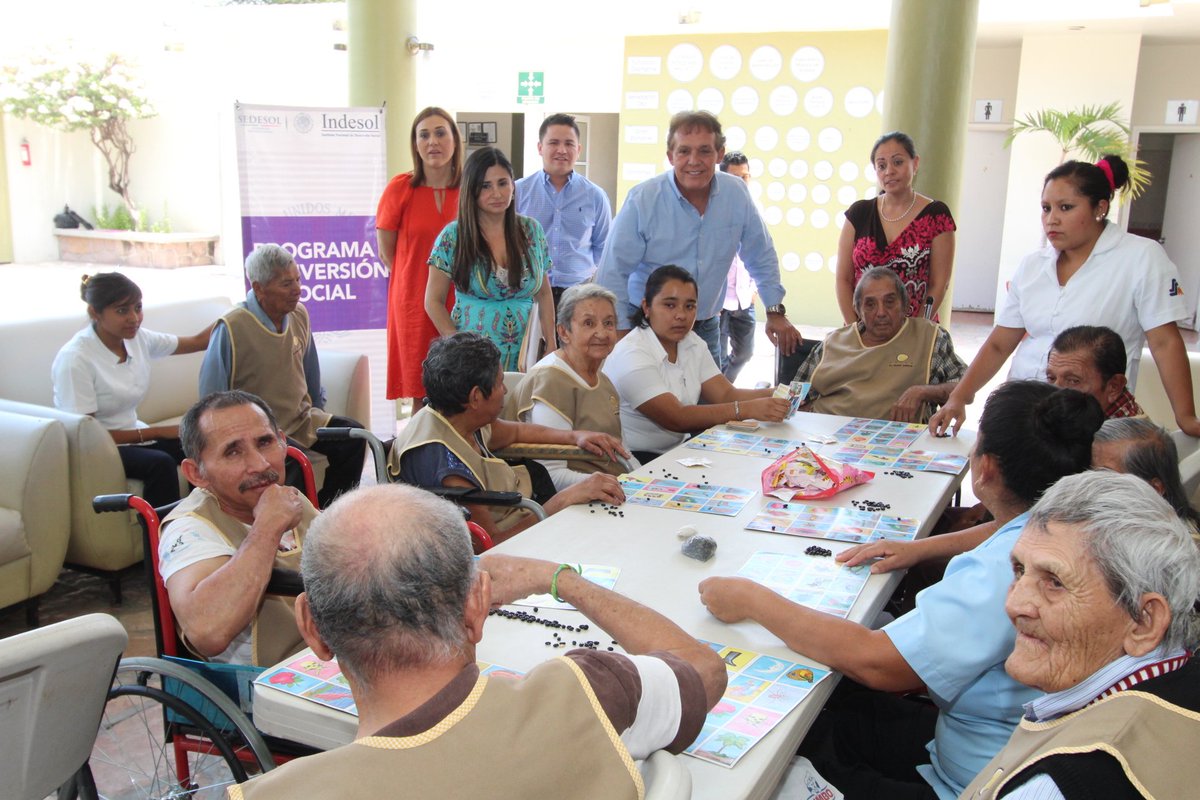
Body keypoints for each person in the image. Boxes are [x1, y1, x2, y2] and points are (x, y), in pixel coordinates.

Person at [699, 381, 1105, 799]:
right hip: (995, 746)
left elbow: (877, 664)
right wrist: (920, 549)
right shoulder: (1070, 518)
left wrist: (752, 599)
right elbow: (1008, 525)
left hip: (979, 782)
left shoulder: (1006, 574)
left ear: (986, 469)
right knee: (830, 715)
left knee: (781, 764)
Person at [227, 483, 726, 799]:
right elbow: (704, 669)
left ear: (311, 627)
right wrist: (562, 579)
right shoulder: (586, 692)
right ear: (476, 607)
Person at [961, 471, 1200, 800]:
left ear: (1144, 621)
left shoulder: (1055, 787)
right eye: (1019, 570)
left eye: (1055, 582)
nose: (1014, 604)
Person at [932, 155, 1200, 437]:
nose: (1052, 219)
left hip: (1091, 420)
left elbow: (1164, 342)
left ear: (1100, 208)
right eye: (1046, 208)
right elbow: (1000, 343)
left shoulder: (1141, 258)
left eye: (1066, 208)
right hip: (1024, 410)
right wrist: (959, 397)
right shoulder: (1033, 265)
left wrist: (1185, 416)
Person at [595, 110, 800, 365]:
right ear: (670, 156)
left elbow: (761, 254)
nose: (694, 160)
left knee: (710, 402)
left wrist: (774, 310)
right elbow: (613, 272)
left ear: (720, 154)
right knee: (651, 404)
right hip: (647, 328)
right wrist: (622, 332)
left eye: (704, 151)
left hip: (704, 327)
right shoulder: (643, 199)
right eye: (684, 151)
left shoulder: (736, 194)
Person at [388, 332, 628, 542]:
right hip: (511, 543)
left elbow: (515, 431)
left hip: (525, 514)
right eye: (499, 383)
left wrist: (575, 436)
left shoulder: (456, 416)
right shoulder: (447, 466)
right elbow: (490, 544)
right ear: (475, 397)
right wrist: (564, 499)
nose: (504, 390)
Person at [199, 244, 366, 508]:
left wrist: (317, 410)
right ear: (259, 288)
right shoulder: (232, 328)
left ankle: (331, 512)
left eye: (298, 280)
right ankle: (303, 529)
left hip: (302, 421)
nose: (297, 289)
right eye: (287, 284)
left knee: (354, 437)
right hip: (259, 434)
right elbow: (210, 397)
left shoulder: (299, 313)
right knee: (291, 465)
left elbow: (311, 371)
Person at [157, 391, 315, 666]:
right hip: (268, 687)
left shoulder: (287, 497)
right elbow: (207, 631)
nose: (260, 464)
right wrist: (268, 526)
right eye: (233, 452)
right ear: (196, 473)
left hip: (332, 657)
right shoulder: (189, 530)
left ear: (282, 442)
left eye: (264, 442)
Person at [52, 273, 213, 508]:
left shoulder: (137, 339)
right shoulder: (75, 359)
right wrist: (157, 432)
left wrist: (242, 311)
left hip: (135, 436)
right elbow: (85, 435)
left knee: (201, 446)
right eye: (122, 310)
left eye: (138, 308)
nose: (134, 318)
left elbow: (197, 341)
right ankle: (161, 537)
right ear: (94, 313)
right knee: (160, 463)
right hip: (96, 446)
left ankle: (207, 521)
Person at [603, 266, 789, 464]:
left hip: (678, 451)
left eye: (690, 306)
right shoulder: (632, 353)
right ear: (646, 308)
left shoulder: (691, 342)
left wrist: (779, 394)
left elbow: (726, 395)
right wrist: (747, 409)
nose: (681, 315)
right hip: (631, 459)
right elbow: (677, 417)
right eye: (670, 305)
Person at [425, 146, 555, 372]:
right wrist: (459, 348)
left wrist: (551, 343)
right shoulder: (453, 236)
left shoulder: (531, 230)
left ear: (513, 185)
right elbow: (433, 301)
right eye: (486, 186)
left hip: (527, 353)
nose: (496, 193)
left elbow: (543, 292)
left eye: (503, 183)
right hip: (472, 360)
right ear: (471, 190)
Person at [793, 266, 966, 423]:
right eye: (870, 304)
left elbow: (965, 386)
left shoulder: (930, 338)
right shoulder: (834, 342)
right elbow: (795, 395)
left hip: (892, 443)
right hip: (825, 436)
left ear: (905, 304)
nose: (881, 312)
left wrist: (922, 392)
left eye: (889, 302)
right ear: (857, 309)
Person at [506, 283, 634, 489]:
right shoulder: (550, 381)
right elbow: (551, 477)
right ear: (564, 332)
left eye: (608, 323)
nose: (601, 333)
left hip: (612, 485)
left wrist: (642, 483)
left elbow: (623, 452)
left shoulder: (603, 380)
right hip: (575, 498)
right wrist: (622, 484)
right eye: (589, 323)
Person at [376, 106, 462, 404]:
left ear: (455, 140)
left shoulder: (471, 188)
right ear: (415, 144)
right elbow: (388, 254)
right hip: (414, 300)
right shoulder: (400, 188)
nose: (432, 142)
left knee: (462, 387)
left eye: (441, 133)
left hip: (461, 299)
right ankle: (419, 450)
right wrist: (415, 281)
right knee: (421, 391)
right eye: (423, 135)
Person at [835, 131, 956, 323]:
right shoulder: (859, 213)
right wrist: (854, 330)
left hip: (916, 329)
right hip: (864, 331)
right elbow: (843, 279)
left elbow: (939, 283)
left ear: (915, 163)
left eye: (897, 162)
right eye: (881, 166)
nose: (889, 171)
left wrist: (914, 330)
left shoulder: (936, 215)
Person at [515, 113, 612, 308]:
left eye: (569, 143)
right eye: (553, 143)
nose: (562, 150)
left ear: (579, 149)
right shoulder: (518, 191)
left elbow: (604, 249)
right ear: (540, 148)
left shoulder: (595, 196)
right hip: (528, 294)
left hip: (579, 295)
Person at [1092, 417, 1200, 529]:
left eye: (1105, 475)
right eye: (1091, 470)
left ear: (1153, 489)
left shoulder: (1163, 541)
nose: (1087, 482)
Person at [717, 151, 758, 382]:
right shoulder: (711, 209)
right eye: (735, 178)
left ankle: (724, 387)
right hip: (718, 302)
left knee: (745, 352)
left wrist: (755, 289)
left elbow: (760, 254)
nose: (742, 183)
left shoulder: (754, 210)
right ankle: (720, 398)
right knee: (717, 356)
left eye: (745, 177)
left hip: (744, 298)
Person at [1045, 325, 1143, 418]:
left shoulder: (1129, 434)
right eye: (1051, 378)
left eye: (1073, 381)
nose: (1054, 393)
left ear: (1114, 387)